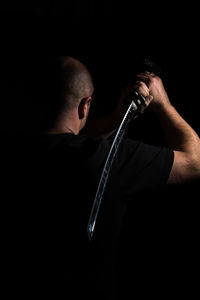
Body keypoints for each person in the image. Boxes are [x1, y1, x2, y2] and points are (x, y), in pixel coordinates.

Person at [1, 56, 200, 299]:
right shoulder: (109, 159)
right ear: (86, 105)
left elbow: (75, 139)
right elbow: (194, 163)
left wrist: (119, 117)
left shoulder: (10, 152)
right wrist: (162, 103)